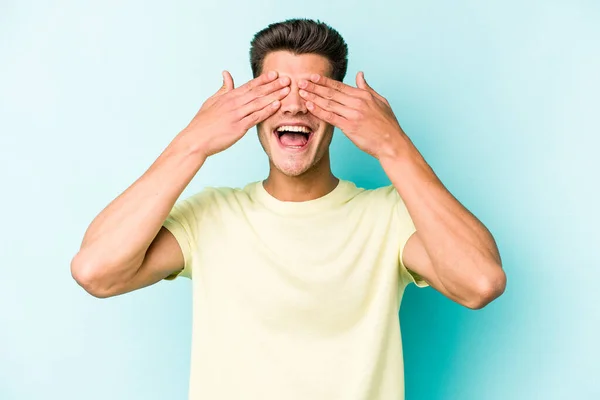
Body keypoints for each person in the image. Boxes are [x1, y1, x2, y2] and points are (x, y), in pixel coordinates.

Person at [71, 18, 506, 400]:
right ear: (251, 109)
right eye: (276, 91)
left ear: (341, 109)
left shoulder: (389, 218)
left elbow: (481, 282)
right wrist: (193, 143)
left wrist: (394, 146)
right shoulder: (212, 217)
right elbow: (96, 271)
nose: (295, 105)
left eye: (315, 93)